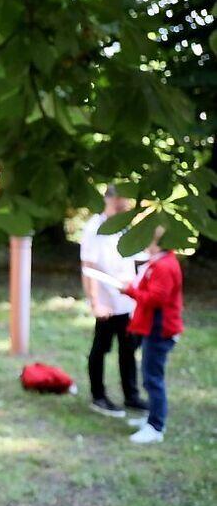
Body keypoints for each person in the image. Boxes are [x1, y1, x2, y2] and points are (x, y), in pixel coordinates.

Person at [80, 186, 147, 418]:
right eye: (121, 199)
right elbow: (89, 267)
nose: (125, 204)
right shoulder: (95, 227)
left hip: (127, 301)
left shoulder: (125, 225)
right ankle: (98, 396)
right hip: (106, 302)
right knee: (101, 348)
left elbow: (137, 260)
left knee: (128, 349)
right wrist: (95, 302)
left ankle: (131, 395)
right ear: (110, 199)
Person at [115, 226, 184, 445]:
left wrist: (129, 291)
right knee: (150, 376)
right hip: (154, 328)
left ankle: (156, 426)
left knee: (152, 378)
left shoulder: (164, 266)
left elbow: (156, 299)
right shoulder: (160, 262)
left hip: (160, 330)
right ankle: (152, 418)